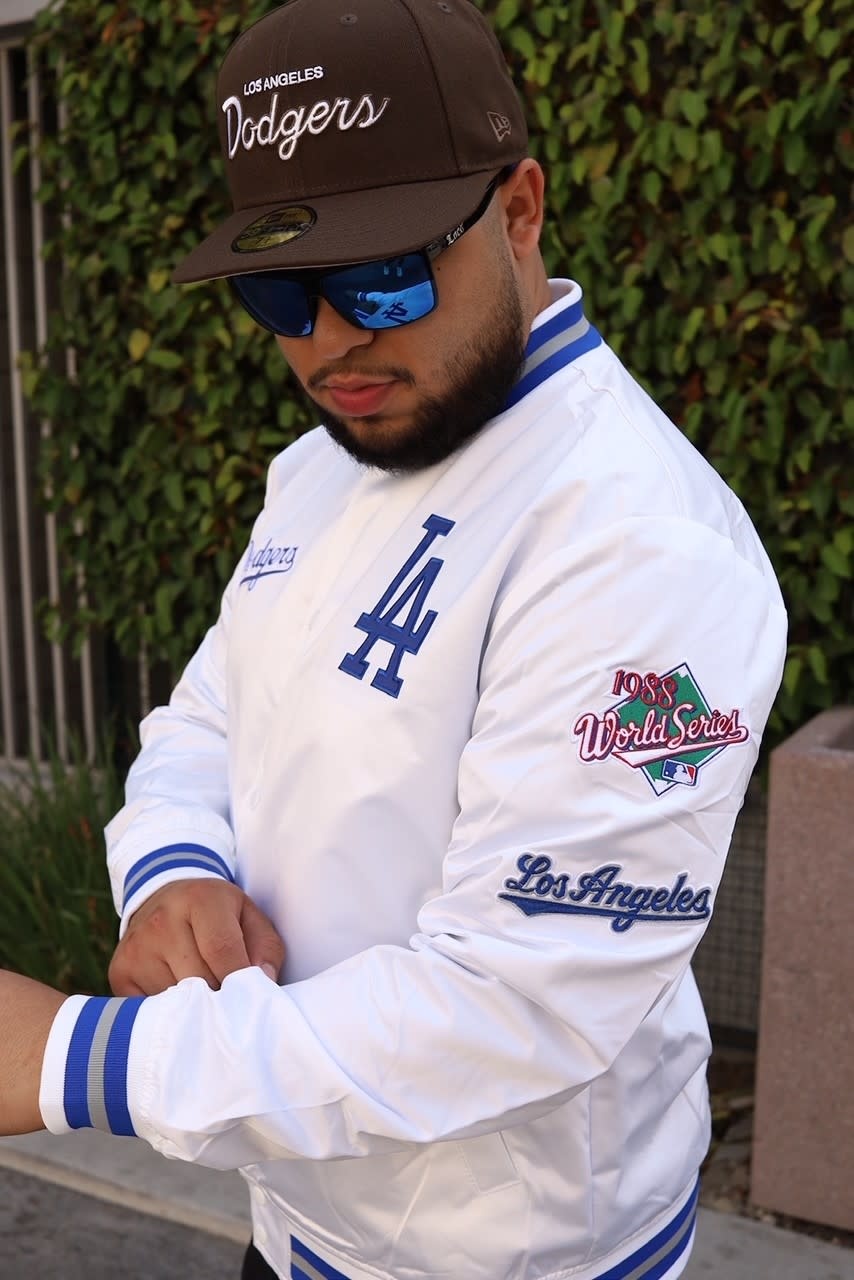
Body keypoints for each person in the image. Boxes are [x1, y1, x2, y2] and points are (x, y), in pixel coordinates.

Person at [0, 1, 788, 1278]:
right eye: (276, 288)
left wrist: (72, 1058)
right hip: (302, 1222)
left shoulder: (640, 546)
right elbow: (208, 717)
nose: (329, 340)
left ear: (519, 209)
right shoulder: (319, 468)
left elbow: (513, 1007)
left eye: (381, 275)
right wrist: (175, 871)